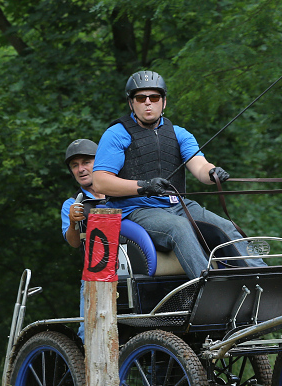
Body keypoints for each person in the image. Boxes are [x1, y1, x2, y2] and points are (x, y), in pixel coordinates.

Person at [92, 70, 264, 279]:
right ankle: (208, 285)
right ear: (131, 103)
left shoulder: (179, 133)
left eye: (154, 97)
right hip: (137, 209)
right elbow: (100, 182)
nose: (148, 103)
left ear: (163, 102)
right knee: (179, 228)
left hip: (179, 205)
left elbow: (199, 167)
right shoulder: (116, 134)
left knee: (225, 226)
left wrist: (212, 173)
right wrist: (143, 186)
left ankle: (262, 276)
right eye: (141, 98)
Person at [60, 139, 106, 341]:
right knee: (88, 335)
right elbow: (73, 242)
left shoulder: (121, 192)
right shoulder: (72, 203)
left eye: (86, 162)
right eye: (75, 165)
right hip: (95, 278)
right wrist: (72, 223)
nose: (81, 169)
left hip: (136, 273)